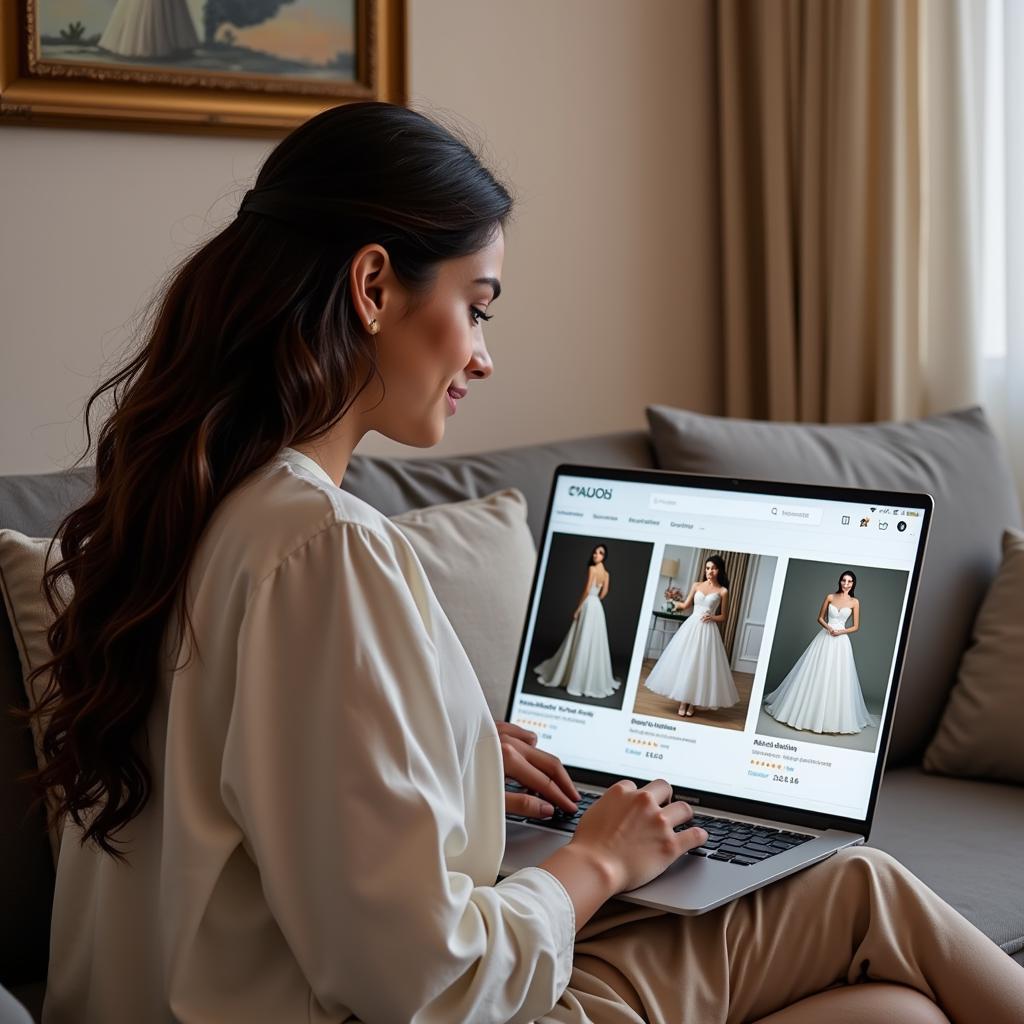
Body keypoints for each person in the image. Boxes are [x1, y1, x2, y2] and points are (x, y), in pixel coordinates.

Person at [26, 101, 1023, 1023]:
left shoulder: (185, 516)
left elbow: (267, 806)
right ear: (373, 286)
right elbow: (427, 980)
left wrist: (451, 752)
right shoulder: (323, 550)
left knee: (894, 1011)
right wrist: (595, 862)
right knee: (855, 884)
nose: (483, 355)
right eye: (478, 305)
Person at [764, 570, 874, 735]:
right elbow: (819, 617)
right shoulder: (830, 596)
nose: (846, 584)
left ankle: (831, 719)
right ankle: (806, 713)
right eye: (844, 580)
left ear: (853, 584)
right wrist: (828, 627)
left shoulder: (855, 602)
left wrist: (840, 632)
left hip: (841, 642)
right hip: (825, 637)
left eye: (849, 581)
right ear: (840, 581)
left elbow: (856, 626)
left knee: (837, 677)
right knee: (816, 673)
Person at [643, 555, 740, 717]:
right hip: (691, 626)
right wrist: (672, 603)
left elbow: (724, 616)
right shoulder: (696, 585)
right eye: (708, 568)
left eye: (714, 568)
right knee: (688, 662)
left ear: (720, 570)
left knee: (700, 665)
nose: (710, 571)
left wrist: (712, 617)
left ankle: (693, 702)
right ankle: (683, 701)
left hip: (708, 629)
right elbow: (686, 605)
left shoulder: (723, 591)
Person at [535, 543, 621, 698]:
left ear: (604, 556)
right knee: (593, 640)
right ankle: (585, 679)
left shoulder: (593, 569)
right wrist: (596, 598)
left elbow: (587, 590)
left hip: (588, 605)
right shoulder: (606, 574)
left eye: (599, 553)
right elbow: (604, 593)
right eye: (595, 552)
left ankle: (575, 677)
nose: (595, 555)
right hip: (597, 607)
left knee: (582, 637)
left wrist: (578, 608)